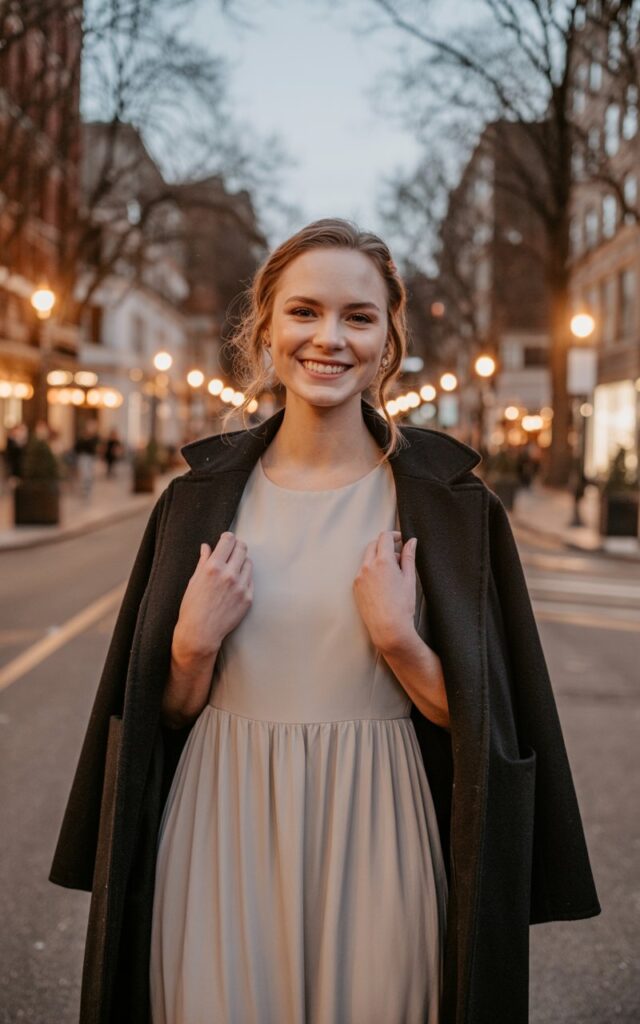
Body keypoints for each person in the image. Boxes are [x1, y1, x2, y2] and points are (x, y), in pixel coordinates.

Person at [48, 219, 600, 1024]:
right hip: (221, 821)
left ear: (388, 340)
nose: (328, 338)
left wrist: (400, 643)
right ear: (266, 329)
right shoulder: (193, 501)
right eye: (304, 312)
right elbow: (160, 715)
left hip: (380, 825)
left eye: (358, 316)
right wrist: (191, 645)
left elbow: (489, 723)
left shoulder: (454, 508)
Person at [74, 420, 100, 498]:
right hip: (83, 458)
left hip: (91, 458)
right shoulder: (81, 438)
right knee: (84, 474)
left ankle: (87, 489)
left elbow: (96, 449)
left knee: (89, 475)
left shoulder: (94, 438)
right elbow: (77, 448)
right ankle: (84, 490)